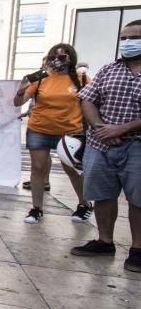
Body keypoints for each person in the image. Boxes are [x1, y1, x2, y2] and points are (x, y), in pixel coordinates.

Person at [70, 21, 141, 272]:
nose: (128, 42)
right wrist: (101, 128)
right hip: (101, 144)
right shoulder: (109, 69)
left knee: (138, 199)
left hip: (136, 145)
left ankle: (138, 249)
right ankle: (104, 241)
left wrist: (120, 129)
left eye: (134, 37)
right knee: (103, 194)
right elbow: (88, 100)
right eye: (124, 38)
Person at [13, 43, 91, 224]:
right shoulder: (41, 77)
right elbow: (18, 103)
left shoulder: (81, 78)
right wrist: (21, 88)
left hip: (70, 131)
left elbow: (92, 102)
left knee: (71, 169)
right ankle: (36, 208)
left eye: (62, 57)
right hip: (40, 129)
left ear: (71, 59)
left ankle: (84, 204)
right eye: (53, 57)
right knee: (38, 168)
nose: (57, 60)